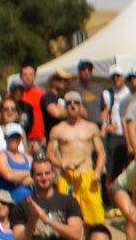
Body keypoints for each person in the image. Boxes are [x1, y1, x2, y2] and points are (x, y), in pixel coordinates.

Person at [46, 90, 107, 228]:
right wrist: (61, 164)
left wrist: (97, 171)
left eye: (76, 103)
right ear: (65, 106)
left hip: (88, 176)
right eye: (69, 103)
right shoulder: (58, 129)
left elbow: (101, 153)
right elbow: (50, 154)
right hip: (67, 178)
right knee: (68, 220)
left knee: (92, 221)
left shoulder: (91, 128)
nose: (72, 105)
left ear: (81, 106)